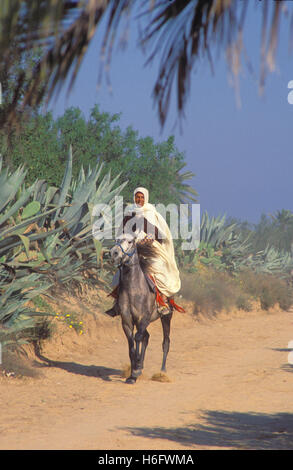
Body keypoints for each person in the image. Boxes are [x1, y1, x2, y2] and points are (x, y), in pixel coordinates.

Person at [105, 187, 181, 317]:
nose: (139, 200)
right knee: (122, 269)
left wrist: (150, 238)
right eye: (137, 197)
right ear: (134, 197)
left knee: (157, 267)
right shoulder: (129, 213)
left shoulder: (151, 212)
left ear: (146, 198)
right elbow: (122, 232)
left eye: (141, 197)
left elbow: (160, 234)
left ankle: (162, 300)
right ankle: (118, 303)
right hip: (132, 247)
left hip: (151, 249)